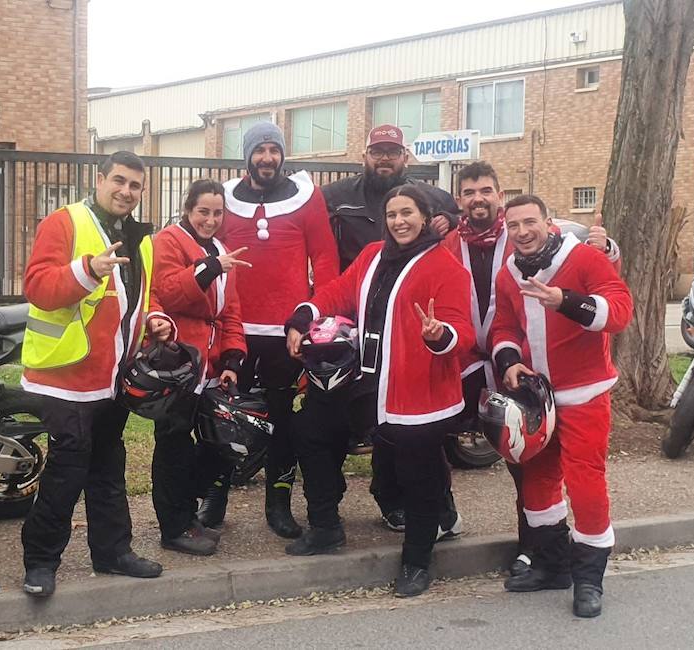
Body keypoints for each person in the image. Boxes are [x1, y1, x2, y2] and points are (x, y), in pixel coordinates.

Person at [284, 184, 474, 597]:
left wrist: (440, 335)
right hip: (364, 381)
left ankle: (417, 561)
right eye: (392, 214)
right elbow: (339, 292)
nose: (399, 221)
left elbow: (464, 333)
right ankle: (325, 528)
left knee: (417, 473)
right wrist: (303, 315)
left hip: (414, 388)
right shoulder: (372, 255)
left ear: (424, 217)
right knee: (312, 432)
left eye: (407, 213)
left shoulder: (446, 269)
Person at [441, 161, 621, 577]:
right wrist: (508, 358)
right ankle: (548, 559)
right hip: (496, 371)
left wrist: (574, 291)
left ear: (500, 198)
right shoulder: (459, 245)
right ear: (459, 201)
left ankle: (565, 565)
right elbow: (504, 319)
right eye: (468, 193)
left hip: (572, 387)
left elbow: (613, 297)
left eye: (485, 191)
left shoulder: (558, 246)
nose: (477, 199)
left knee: (575, 477)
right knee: (532, 470)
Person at [18, 151, 175, 597]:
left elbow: (140, 301)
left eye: (135, 186)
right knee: (68, 469)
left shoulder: (140, 239)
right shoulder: (64, 223)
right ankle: (40, 562)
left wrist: (157, 320)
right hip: (63, 375)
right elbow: (38, 287)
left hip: (112, 377)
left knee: (109, 467)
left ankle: (112, 553)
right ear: (100, 179)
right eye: (119, 181)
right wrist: (87, 270)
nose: (126, 191)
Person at [488, 194, 632, 618]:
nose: (522, 232)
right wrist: (510, 361)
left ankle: (589, 579)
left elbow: (620, 312)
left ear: (550, 223)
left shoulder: (585, 259)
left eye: (530, 222)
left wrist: (564, 300)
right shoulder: (508, 273)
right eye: (513, 226)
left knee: (585, 484)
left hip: (584, 393)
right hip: (537, 397)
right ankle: (553, 566)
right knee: (536, 482)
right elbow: (504, 325)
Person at [213, 122, 339, 540]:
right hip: (235, 327)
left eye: (274, 149)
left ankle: (279, 501)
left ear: (283, 154)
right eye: (259, 150)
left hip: (288, 331)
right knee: (224, 414)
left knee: (284, 420)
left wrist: (314, 319)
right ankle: (215, 496)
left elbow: (324, 259)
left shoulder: (307, 195)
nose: (267, 157)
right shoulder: (226, 198)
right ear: (247, 155)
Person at [148, 179, 248, 556]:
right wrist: (207, 269)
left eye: (217, 212)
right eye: (203, 211)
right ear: (188, 210)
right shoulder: (170, 241)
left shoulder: (222, 250)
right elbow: (166, 291)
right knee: (172, 446)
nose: (210, 219)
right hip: (177, 363)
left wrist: (232, 358)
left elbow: (231, 310)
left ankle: (187, 515)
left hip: (208, 366)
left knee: (216, 444)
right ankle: (174, 527)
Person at [320, 124, 461, 272]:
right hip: (353, 285)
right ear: (364, 157)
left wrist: (449, 219)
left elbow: (462, 221)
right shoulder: (336, 194)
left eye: (393, 152)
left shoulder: (432, 197)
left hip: (408, 284)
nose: (385, 158)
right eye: (376, 152)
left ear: (405, 158)